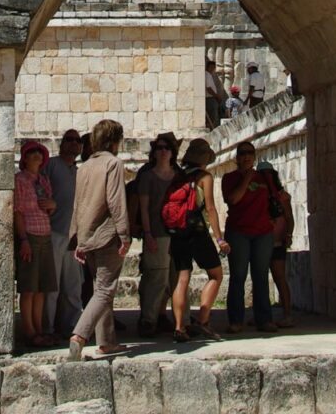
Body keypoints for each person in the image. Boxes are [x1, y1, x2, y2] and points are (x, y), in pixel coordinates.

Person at [66, 119, 132, 360]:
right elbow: (116, 201)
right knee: (105, 289)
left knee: (99, 288)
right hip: (107, 234)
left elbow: (78, 204)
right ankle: (79, 336)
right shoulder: (113, 164)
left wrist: (77, 239)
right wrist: (124, 235)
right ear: (115, 141)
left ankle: (106, 342)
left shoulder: (84, 167)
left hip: (87, 235)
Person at [168, 139, 226, 342]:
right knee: (216, 275)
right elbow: (210, 208)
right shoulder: (204, 177)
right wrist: (219, 239)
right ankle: (202, 320)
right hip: (197, 232)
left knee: (182, 279)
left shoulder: (177, 175)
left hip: (177, 232)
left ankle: (179, 327)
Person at [219, 142, 278, 332]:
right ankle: (236, 320)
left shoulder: (264, 178)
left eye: (250, 153)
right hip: (239, 232)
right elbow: (233, 199)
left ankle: (264, 319)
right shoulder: (229, 178)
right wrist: (247, 179)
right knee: (238, 276)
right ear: (237, 158)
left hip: (263, 232)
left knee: (261, 275)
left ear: (254, 156)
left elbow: (276, 199)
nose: (246, 157)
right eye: (243, 153)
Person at [14, 141, 59, 347]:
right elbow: (18, 211)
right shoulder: (20, 180)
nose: (36, 155)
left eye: (39, 152)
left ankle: (39, 329)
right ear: (24, 158)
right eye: (31, 152)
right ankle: (29, 331)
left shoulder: (43, 180)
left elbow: (49, 206)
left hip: (45, 234)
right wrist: (23, 239)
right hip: (30, 235)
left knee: (42, 287)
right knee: (29, 287)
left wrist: (53, 205)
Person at [134, 133, 180, 335]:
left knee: (174, 278)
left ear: (172, 152)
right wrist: (148, 233)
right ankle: (148, 320)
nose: (163, 151)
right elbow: (144, 209)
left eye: (166, 148)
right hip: (157, 233)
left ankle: (170, 318)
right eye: (159, 148)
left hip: (177, 234)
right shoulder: (147, 176)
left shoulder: (179, 176)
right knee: (156, 278)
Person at [46, 129, 83, 336]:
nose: (74, 143)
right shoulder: (51, 165)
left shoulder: (80, 172)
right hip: (54, 231)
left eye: (77, 140)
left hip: (74, 236)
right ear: (62, 143)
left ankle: (71, 326)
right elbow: (39, 187)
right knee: (52, 287)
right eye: (69, 139)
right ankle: (48, 328)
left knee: (73, 285)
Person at [260, 160, 295, 328]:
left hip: (276, 242)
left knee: (279, 278)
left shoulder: (282, 196)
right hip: (260, 240)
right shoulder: (257, 195)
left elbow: (289, 217)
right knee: (260, 279)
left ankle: (287, 314)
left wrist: (288, 234)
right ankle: (262, 316)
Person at [204, 60, 224, 128]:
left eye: (213, 68)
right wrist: (217, 96)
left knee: (211, 117)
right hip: (210, 98)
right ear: (208, 67)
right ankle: (210, 129)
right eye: (211, 67)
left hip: (210, 98)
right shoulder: (207, 75)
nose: (212, 69)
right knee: (211, 117)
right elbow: (209, 88)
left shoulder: (207, 75)